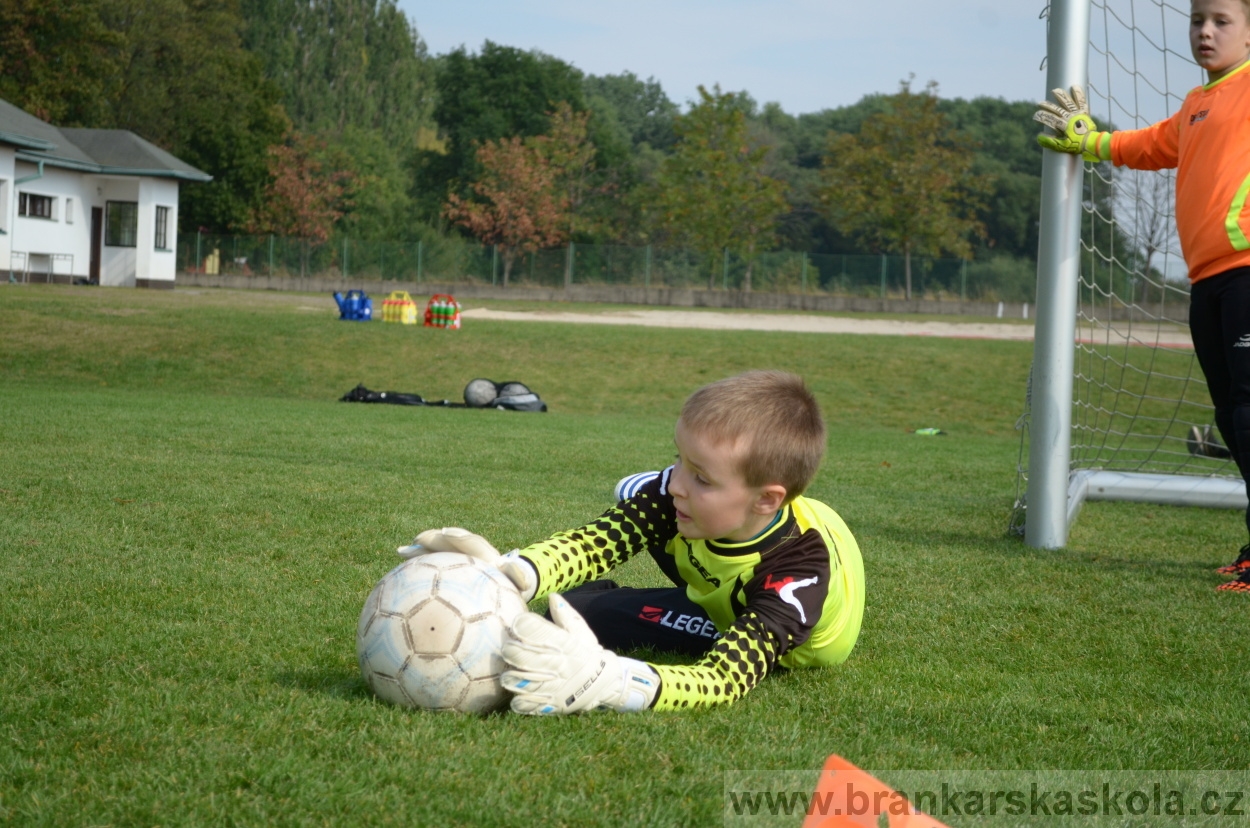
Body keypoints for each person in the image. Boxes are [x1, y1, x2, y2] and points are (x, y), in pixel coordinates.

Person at [400, 370, 865, 713]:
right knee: (636, 523)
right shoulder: (684, 494)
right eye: (678, 460)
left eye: (700, 476)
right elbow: (599, 541)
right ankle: (664, 568)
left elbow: (723, 680)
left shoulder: (798, 576)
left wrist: (613, 682)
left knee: (591, 620)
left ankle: (643, 595)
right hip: (718, 547)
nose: (676, 482)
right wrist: (509, 572)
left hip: (772, 629)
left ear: (766, 499)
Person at [1034, 0, 1250, 592]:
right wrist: (1090, 141)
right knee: (1232, 415)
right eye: (1197, 20)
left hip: (1248, 273)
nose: (1205, 31)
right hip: (1208, 280)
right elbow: (1150, 145)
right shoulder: (1196, 105)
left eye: (1222, 21)